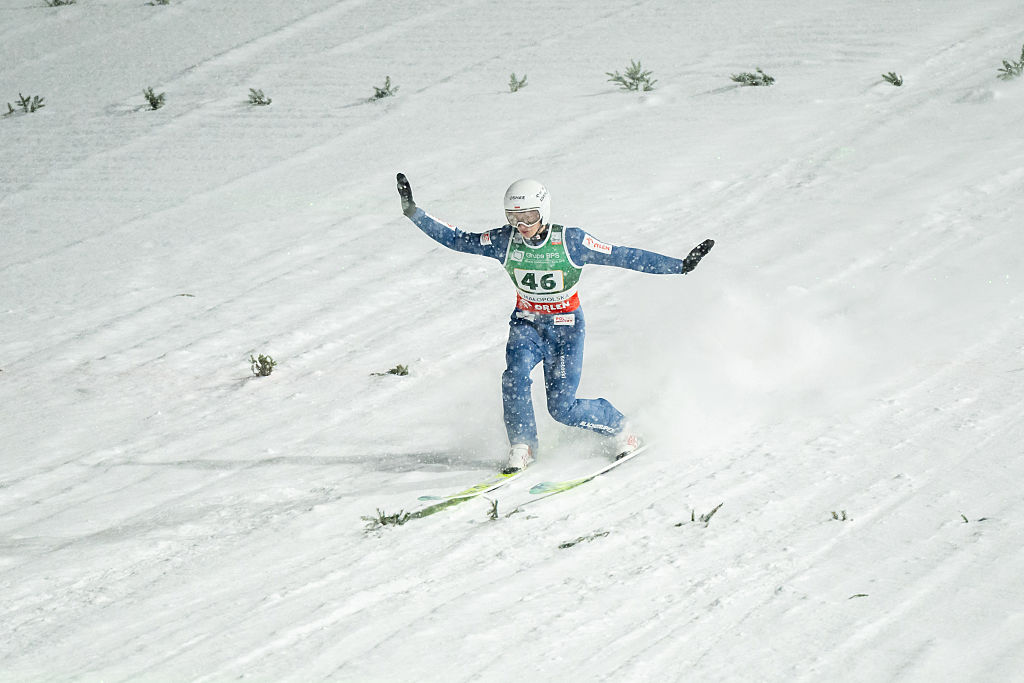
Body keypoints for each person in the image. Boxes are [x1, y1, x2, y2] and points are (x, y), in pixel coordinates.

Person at [395, 173, 714, 473]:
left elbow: (622, 255)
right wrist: (414, 212)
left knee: (562, 408)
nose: (522, 226)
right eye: (514, 218)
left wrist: (679, 266)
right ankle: (523, 444)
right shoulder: (504, 241)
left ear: (544, 212)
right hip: (527, 326)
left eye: (530, 217)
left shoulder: (571, 241)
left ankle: (621, 428)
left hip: (566, 329)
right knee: (514, 376)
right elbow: (457, 239)